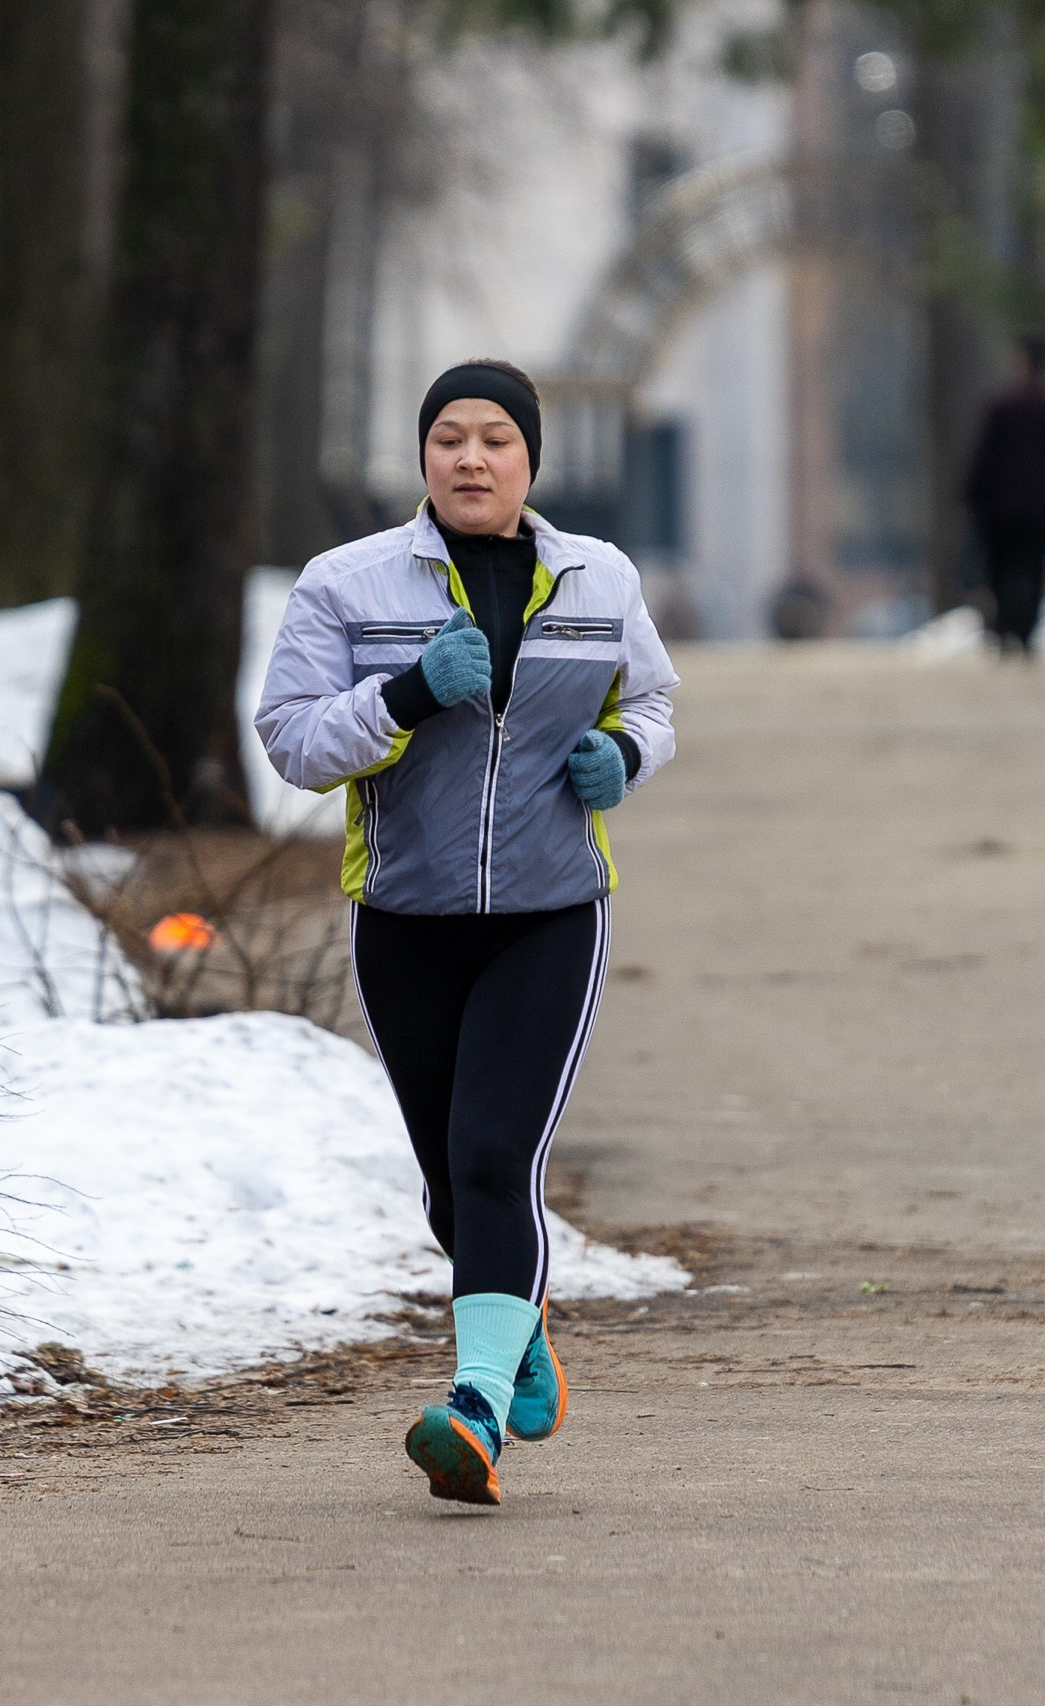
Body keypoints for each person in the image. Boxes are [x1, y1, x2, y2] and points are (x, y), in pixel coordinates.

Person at [255, 360, 678, 1506]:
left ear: (529, 458)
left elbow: (650, 701)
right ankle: (515, 1319)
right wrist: (401, 697)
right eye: (449, 438)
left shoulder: (600, 578)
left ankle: (474, 1406)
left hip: (549, 913)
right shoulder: (347, 585)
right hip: (406, 915)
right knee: (453, 1183)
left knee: (497, 1154)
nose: (472, 458)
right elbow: (291, 741)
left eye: (496, 438)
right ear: (423, 456)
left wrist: (625, 755)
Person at [963, 333, 1045, 656]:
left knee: (1001, 569)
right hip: (1040, 507)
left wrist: (971, 497)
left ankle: (1006, 626)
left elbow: (983, 458)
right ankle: (1026, 628)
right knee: (1034, 570)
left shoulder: (1001, 404)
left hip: (1001, 508)